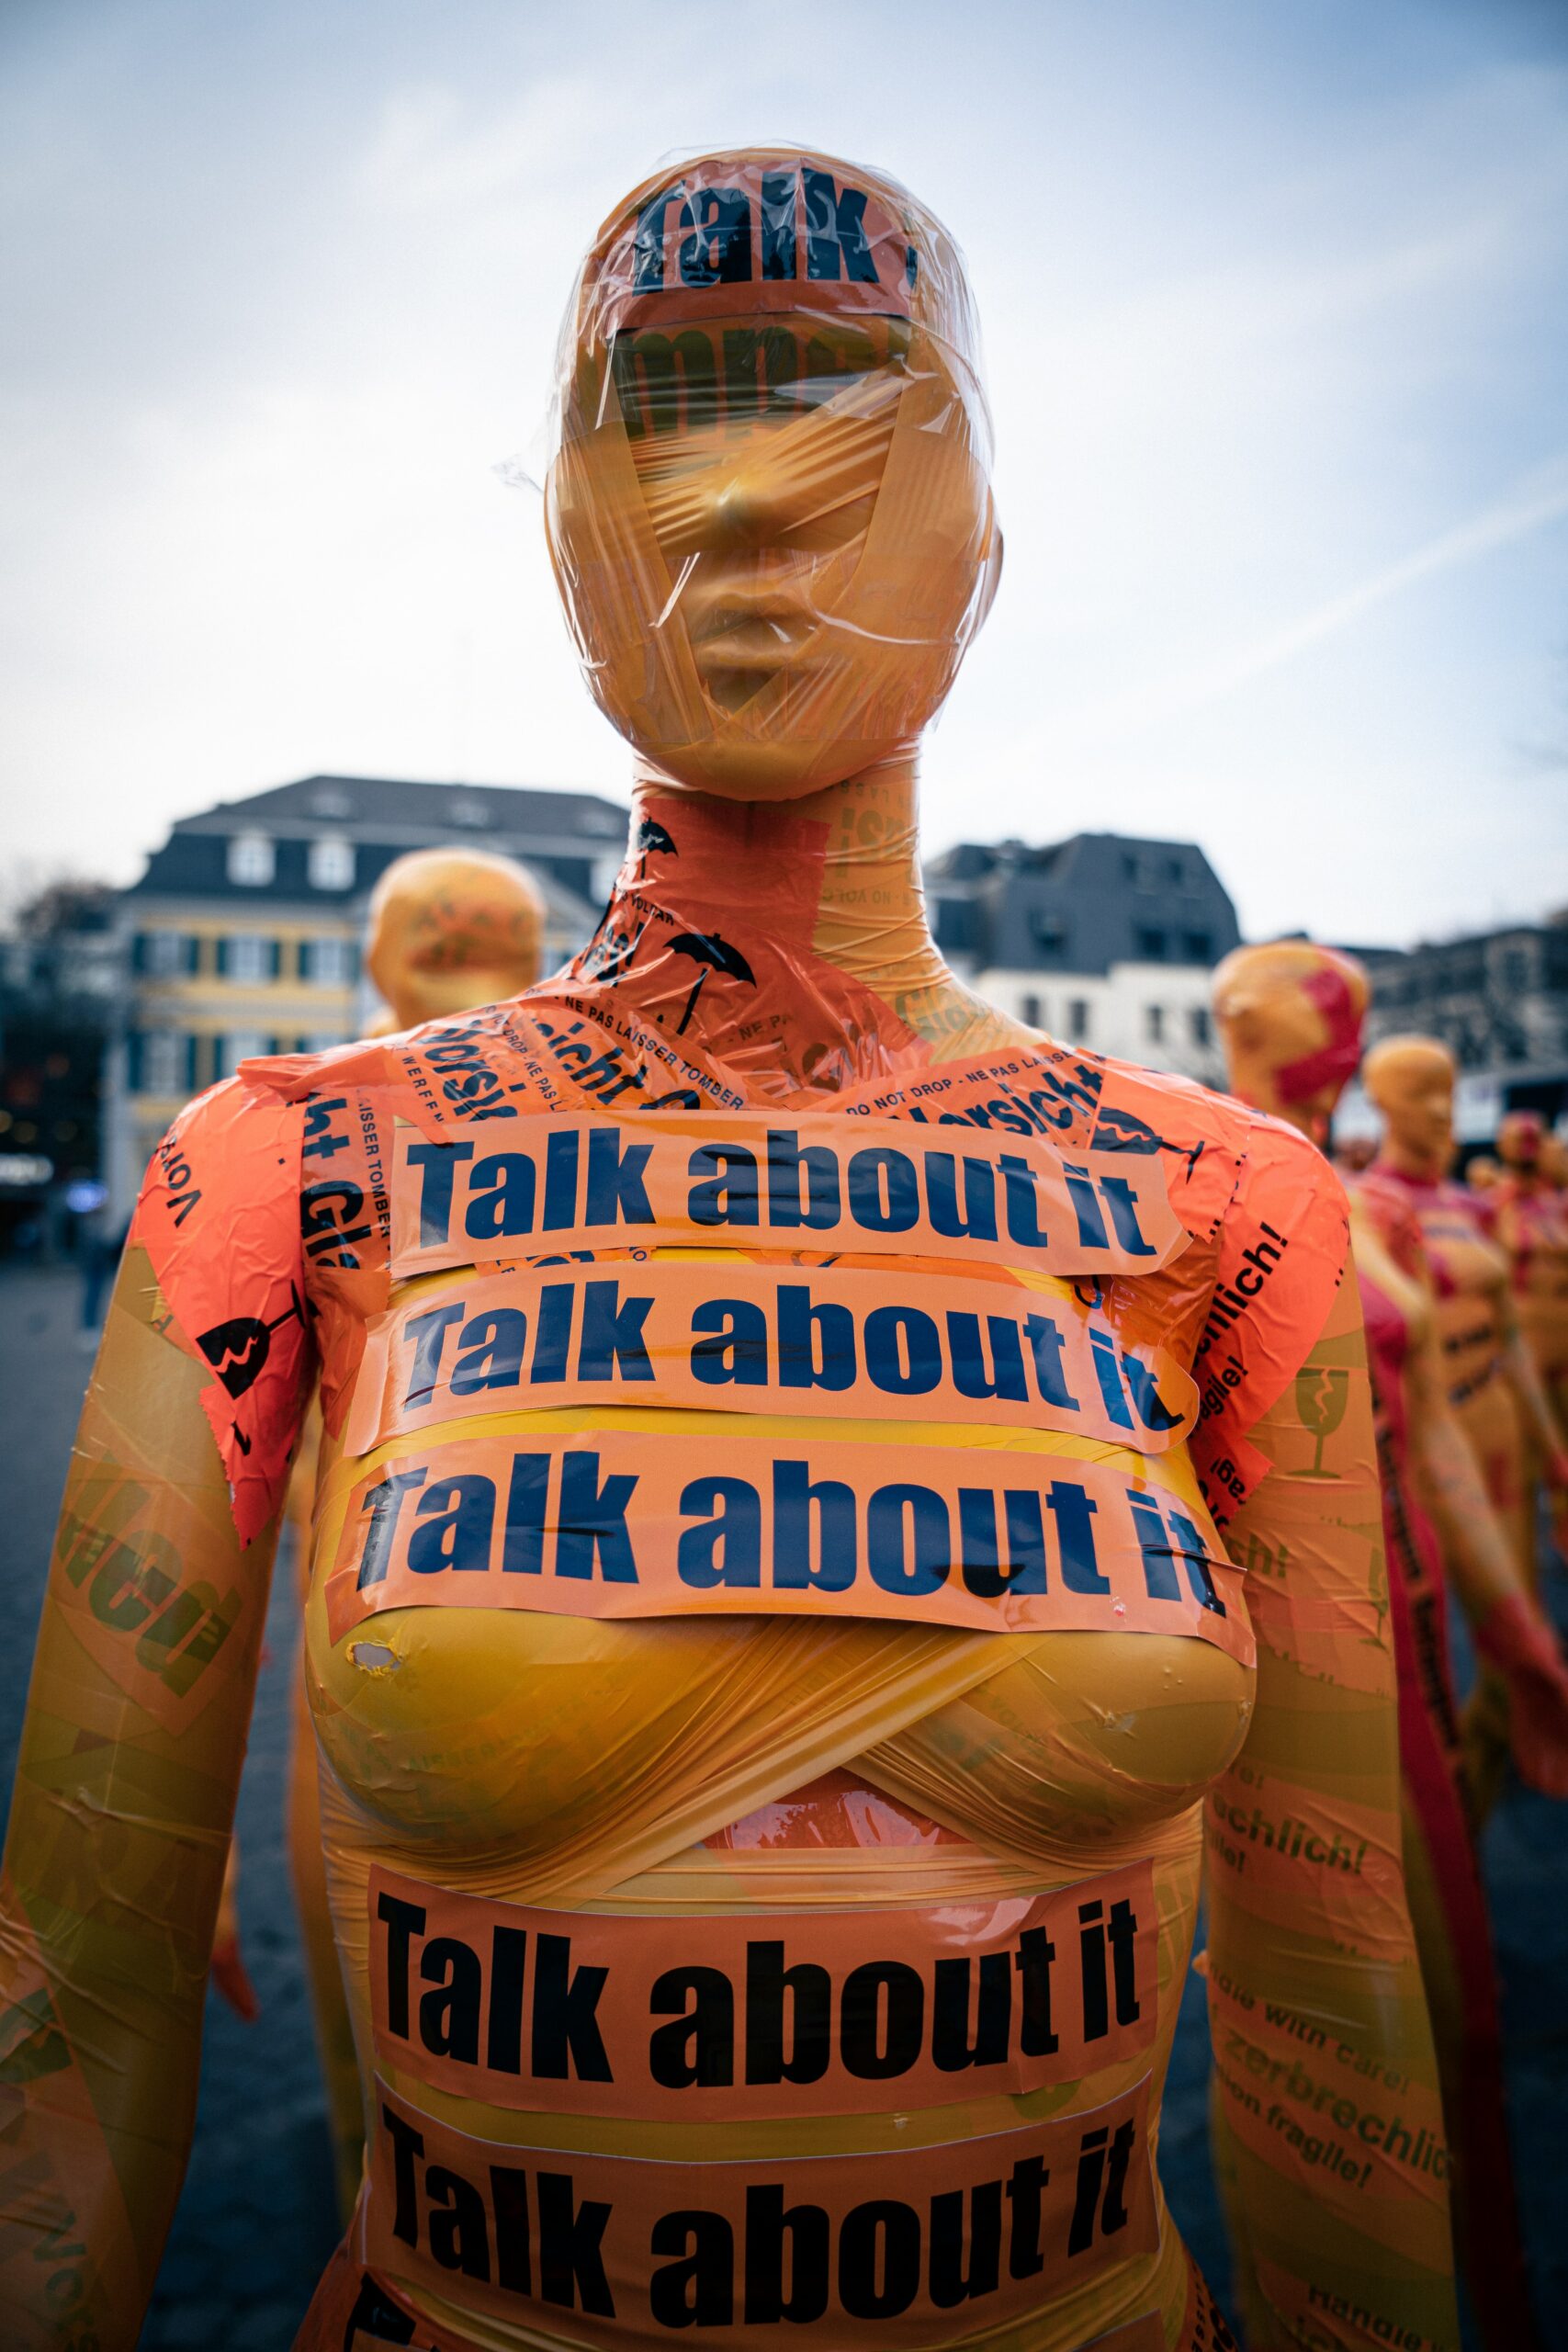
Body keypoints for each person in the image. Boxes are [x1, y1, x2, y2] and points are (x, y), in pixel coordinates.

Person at [0, 150, 1456, 2352]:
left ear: (978, 544)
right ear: (564, 544)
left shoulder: (1216, 1202)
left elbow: (1331, 2002)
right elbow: (74, 1991)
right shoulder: (287, 1168)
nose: (740, 504)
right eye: (656, 416)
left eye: (843, 407)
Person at [1213, 939, 1568, 2348]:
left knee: (1457, 2031)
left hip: (1414, 1642)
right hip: (1279, 1682)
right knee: (1328, 2080)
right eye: (1320, 1001)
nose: (1346, 1027)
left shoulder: (1362, 1215)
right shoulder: (1172, 1193)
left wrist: (1519, 1633)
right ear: (1237, 1019)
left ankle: (1493, 2303)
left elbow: (1420, 1436)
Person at [1361, 1037, 1568, 1818]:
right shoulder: (1370, 1209)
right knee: (1439, 1657)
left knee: (1519, 1626)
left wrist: (1552, 1453)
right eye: (1425, 1096)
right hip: (1427, 1446)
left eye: (1448, 1096)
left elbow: (1510, 1338)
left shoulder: (1471, 1208)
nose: (1443, 1114)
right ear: (1382, 1104)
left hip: (1497, 1428)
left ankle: (1484, 1792)